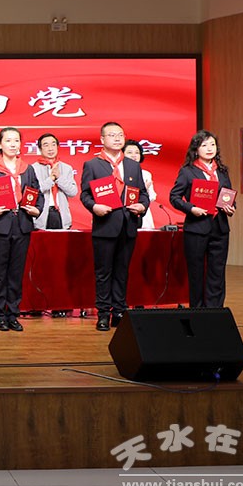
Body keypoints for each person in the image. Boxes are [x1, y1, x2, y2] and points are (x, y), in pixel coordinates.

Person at [79, 122, 149, 331]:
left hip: (128, 225)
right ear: (102, 139)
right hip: (105, 226)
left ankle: (119, 311)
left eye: (120, 135)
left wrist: (142, 206)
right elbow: (85, 195)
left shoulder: (133, 165)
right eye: (112, 135)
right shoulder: (93, 165)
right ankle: (103, 314)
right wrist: (94, 207)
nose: (117, 138)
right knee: (104, 273)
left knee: (122, 271)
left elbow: (143, 194)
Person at [0, 127, 42, 332]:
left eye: (16, 141)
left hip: (22, 224)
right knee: (0, 273)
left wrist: (36, 209)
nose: (13, 144)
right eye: (9, 141)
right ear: (0, 144)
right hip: (0, 225)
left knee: (16, 273)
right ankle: (0, 315)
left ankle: (13, 314)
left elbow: (38, 194)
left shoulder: (27, 169)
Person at [169, 130, 236, 308]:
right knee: (196, 273)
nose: (209, 148)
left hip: (220, 228)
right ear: (196, 149)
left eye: (212, 145)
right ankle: (197, 311)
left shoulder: (222, 171)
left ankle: (215, 310)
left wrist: (231, 208)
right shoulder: (188, 171)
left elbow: (228, 195)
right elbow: (174, 197)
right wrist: (191, 208)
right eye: (204, 145)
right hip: (196, 228)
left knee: (217, 272)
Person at [31, 132, 79, 317]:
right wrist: (50, 179)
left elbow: (73, 191)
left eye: (53, 144)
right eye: (46, 145)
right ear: (40, 149)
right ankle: (38, 304)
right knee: (40, 263)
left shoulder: (66, 168)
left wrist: (58, 177)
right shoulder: (32, 169)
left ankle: (60, 303)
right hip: (41, 218)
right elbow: (33, 192)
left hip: (60, 217)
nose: (50, 148)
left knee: (60, 264)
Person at [123, 140, 158, 229]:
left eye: (137, 153)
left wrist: (144, 191)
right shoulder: (119, 172)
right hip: (124, 213)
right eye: (129, 152)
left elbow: (152, 197)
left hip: (142, 212)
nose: (134, 155)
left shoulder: (146, 174)